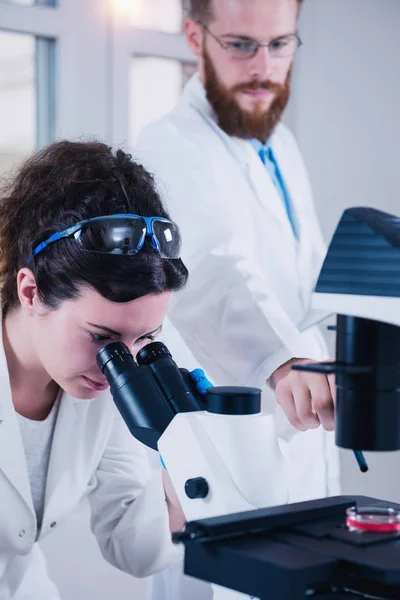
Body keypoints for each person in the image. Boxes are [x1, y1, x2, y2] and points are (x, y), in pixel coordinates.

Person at [136, 1, 340, 596]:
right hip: (230, 451)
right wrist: (282, 360)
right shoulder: (169, 144)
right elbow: (211, 271)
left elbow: (307, 285)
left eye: (281, 45)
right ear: (195, 37)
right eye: (241, 45)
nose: (264, 67)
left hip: (299, 439)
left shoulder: (278, 145)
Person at [0, 140, 189, 599]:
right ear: (30, 292)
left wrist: (189, 455)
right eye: (101, 338)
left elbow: (136, 548)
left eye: (144, 340)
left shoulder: (99, 389)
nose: (116, 366)